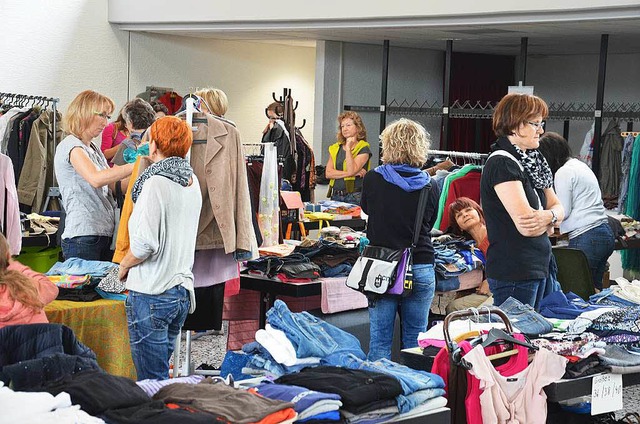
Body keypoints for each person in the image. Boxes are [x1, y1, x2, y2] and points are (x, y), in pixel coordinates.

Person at [118, 116, 203, 380]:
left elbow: (145, 244)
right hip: (180, 292)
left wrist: (123, 265)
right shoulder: (191, 180)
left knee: (151, 381)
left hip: (152, 292)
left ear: (153, 145)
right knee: (160, 377)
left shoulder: (154, 183)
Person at [361, 118, 440, 361]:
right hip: (421, 265)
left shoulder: (373, 179)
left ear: (389, 145)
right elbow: (431, 221)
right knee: (417, 344)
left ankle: (379, 396)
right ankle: (418, 396)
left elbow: (366, 209)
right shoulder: (431, 185)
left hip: (383, 265)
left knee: (380, 344)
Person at [480, 93, 565, 309]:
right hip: (515, 271)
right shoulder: (502, 163)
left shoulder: (534, 161)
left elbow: (559, 209)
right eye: (535, 124)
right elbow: (528, 226)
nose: (541, 130)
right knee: (519, 338)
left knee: (536, 336)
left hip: (538, 266)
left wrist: (548, 216)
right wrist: (551, 219)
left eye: (541, 123)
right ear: (515, 124)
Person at [54, 90, 135, 261]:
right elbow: (96, 178)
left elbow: (112, 186)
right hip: (83, 237)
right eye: (103, 116)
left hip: (102, 233)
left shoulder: (93, 149)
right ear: (85, 112)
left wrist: (144, 176)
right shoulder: (71, 146)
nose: (106, 123)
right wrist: (135, 165)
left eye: (108, 117)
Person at [538, 132, 615, 290]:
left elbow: (563, 211)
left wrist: (542, 220)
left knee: (579, 291)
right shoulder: (578, 165)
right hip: (603, 233)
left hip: (587, 236)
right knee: (594, 289)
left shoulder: (563, 172)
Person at [443, 197, 492, 314]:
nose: (465, 215)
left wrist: (490, 281)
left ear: (479, 212)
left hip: (504, 286)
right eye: (459, 215)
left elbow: (510, 262)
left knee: (461, 311)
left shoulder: (494, 234)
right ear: (459, 226)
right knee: (454, 308)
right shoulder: (466, 246)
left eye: (468, 210)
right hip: (485, 290)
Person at [0, 233, 59, 328]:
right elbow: (51, 287)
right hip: (41, 341)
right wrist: (12, 265)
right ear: (8, 256)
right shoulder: (27, 287)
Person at [326, 111, 371, 205]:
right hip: (336, 195)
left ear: (358, 127)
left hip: (354, 195)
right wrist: (351, 174)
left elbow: (352, 169)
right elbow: (328, 173)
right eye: (342, 126)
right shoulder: (335, 148)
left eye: (348, 125)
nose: (345, 129)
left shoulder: (363, 148)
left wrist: (348, 149)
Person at [111, 98, 156, 166]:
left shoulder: (128, 144)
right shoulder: (158, 140)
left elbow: (115, 172)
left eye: (125, 123)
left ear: (130, 123)